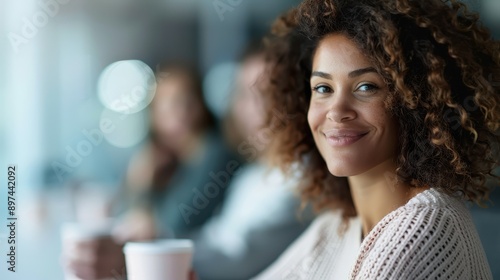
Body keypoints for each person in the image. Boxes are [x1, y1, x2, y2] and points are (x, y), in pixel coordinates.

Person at [251, 0, 499, 279]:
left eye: (366, 87)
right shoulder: (336, 228)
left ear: (415, 102)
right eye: (323, 88)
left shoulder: (423, 229)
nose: (336, 111)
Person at [65, 63, 238, 280]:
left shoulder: (213, 152)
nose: (181, 112)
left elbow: (178, 221)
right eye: (169, 104)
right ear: (154, 114)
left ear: (202, 105)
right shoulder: (164, 158)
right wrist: (139, 181)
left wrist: (142, 187)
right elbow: (124, 218)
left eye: (188, 100)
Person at [189, 45, 313, 280]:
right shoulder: (252, 175)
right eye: (246, 95)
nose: (257, 108)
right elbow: (217, 237)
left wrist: (155, 252)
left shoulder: (305, 176)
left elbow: (238, 256)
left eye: (269, 93)